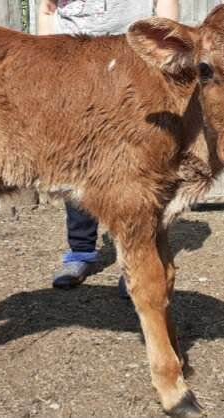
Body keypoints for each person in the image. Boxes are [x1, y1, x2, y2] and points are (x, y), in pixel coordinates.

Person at [38, 0, 180, 293]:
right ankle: (81, 252)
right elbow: (48, 8)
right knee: (79, 161)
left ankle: (136, 263)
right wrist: (48, 63)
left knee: (137, 168)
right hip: (74, 72)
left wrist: (166, 50)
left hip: (132, 70)